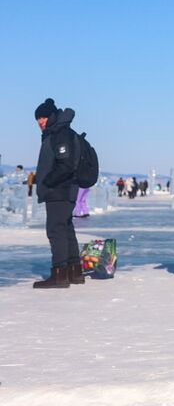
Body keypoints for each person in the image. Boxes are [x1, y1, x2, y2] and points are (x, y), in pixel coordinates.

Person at [32, 98, 84, 288]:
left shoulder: (60, 134)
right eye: (38, 118)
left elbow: (66, 165)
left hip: (59, 190)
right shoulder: (58, 132)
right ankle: (74, 272)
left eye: (43, 117)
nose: (40, 121)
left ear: (52, 116)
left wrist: (48, 181)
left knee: (55, 230)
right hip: (63, 190)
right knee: (66, 228)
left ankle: (60, 274)